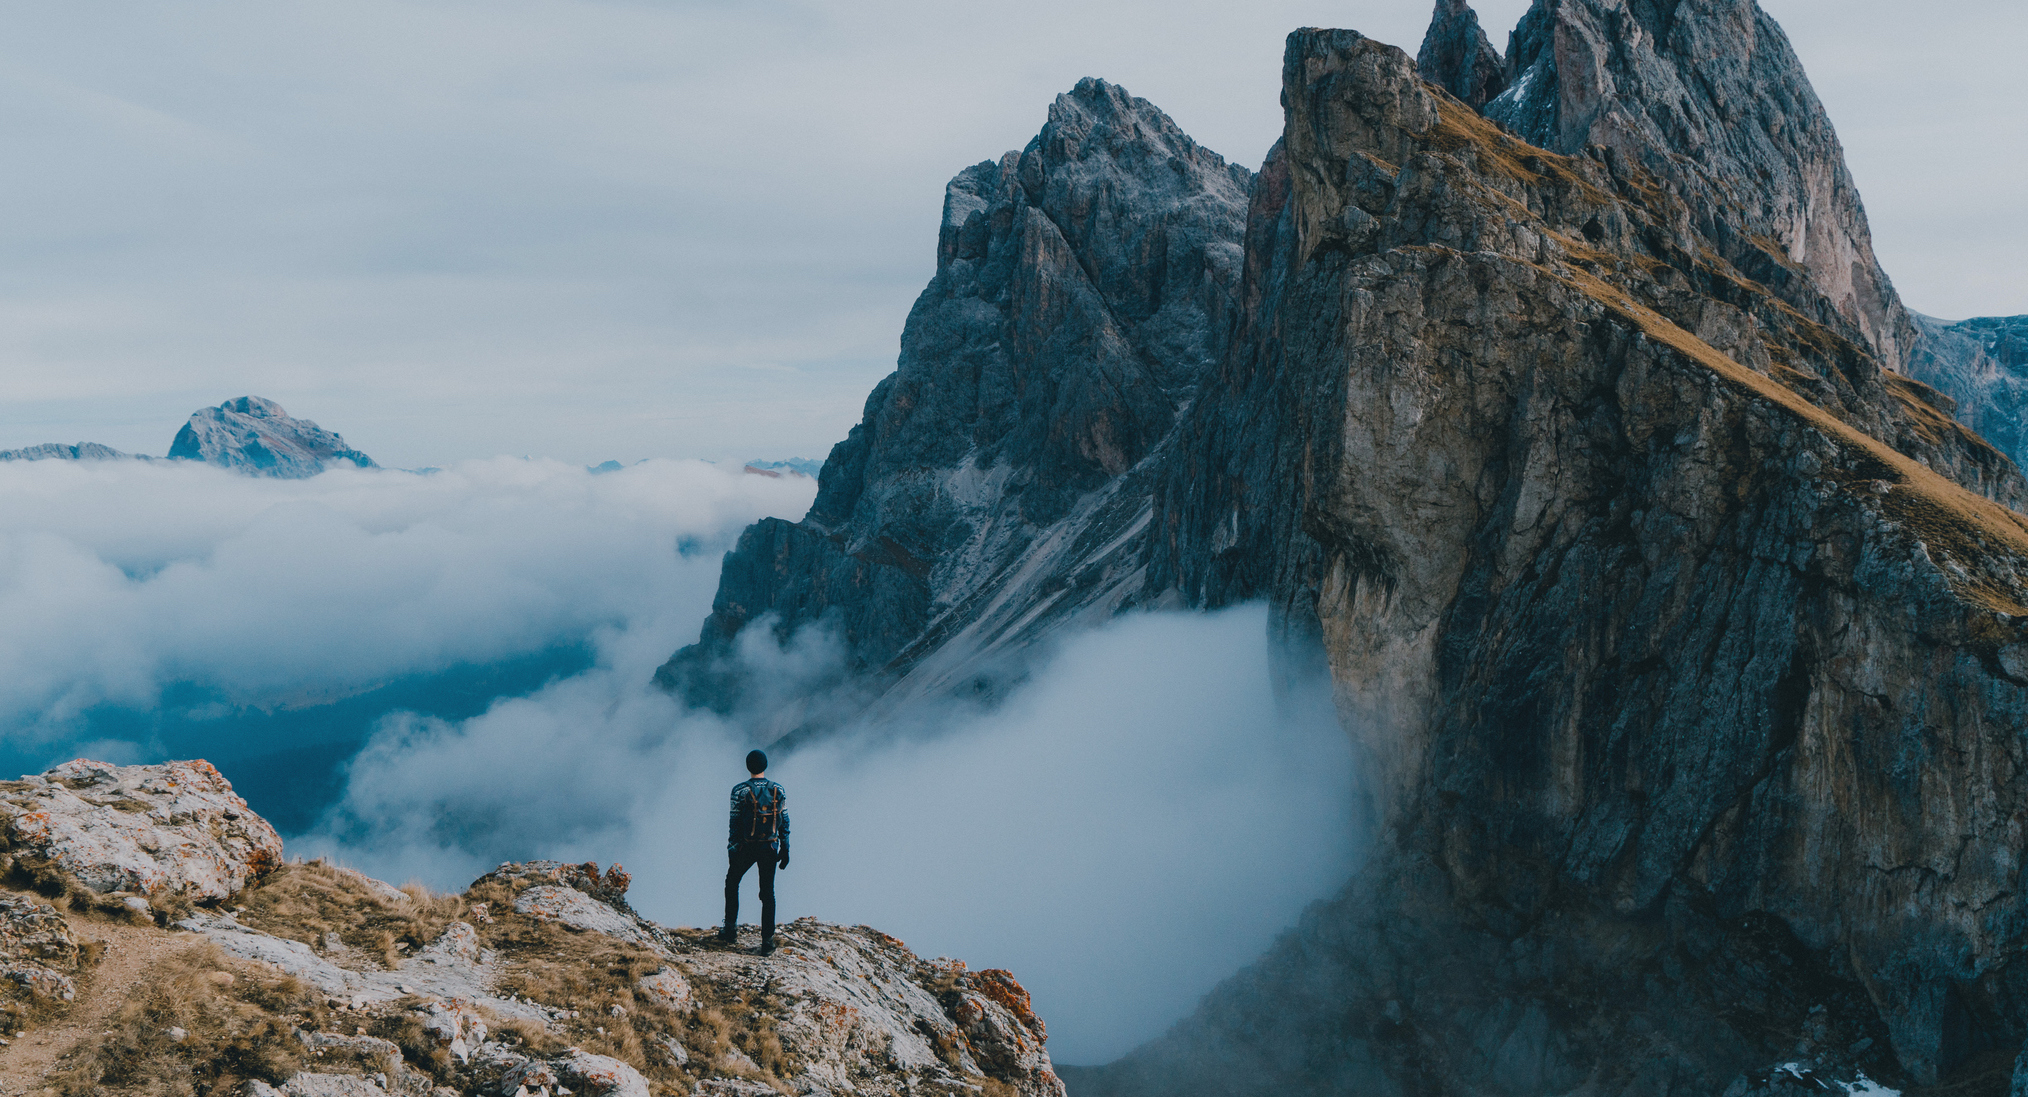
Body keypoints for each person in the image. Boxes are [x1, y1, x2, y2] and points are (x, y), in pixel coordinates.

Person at [721, 748, 789, 955]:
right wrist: (785, 848)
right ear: (765, 766)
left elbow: (734, 822)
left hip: (746, 847)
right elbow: (784, 821)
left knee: (732, 883)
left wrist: (732, 849)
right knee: (768, 893)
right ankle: (767, 942)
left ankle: (730, 929)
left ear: (748, 766)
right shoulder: (778, 789)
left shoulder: (739, 791)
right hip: (770, 846)